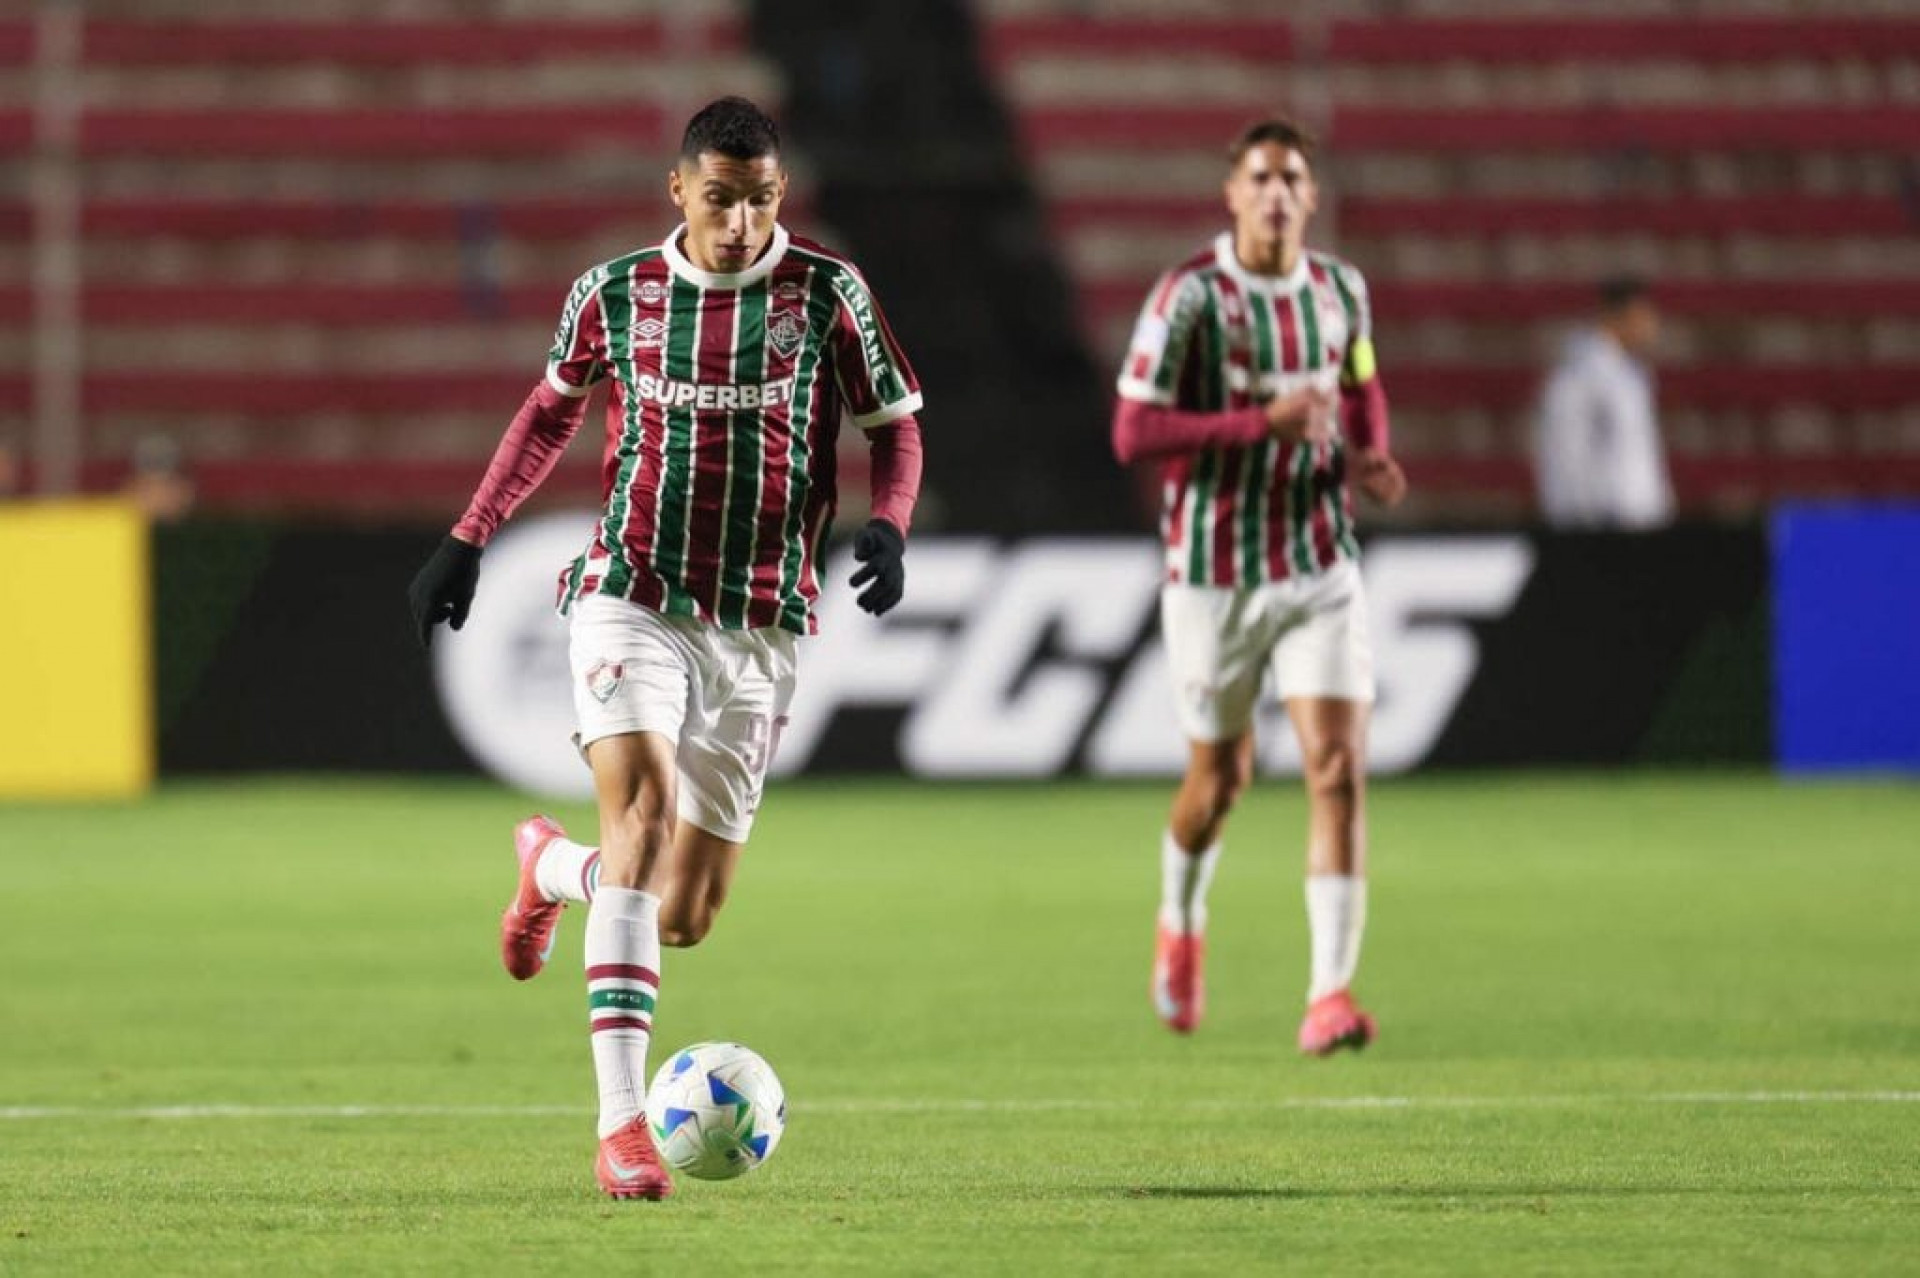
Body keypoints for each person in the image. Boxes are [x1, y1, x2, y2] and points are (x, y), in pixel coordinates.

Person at [407, 97, 924, 1200]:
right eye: (723, 197)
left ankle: (549, 868)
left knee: (680, 914)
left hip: (761, 621)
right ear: (680, 190)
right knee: (638, 823)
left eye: (763, 199)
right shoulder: (614, 292)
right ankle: (622, 1129)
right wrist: (469, 536)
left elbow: (896, 423)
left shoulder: (828, 295)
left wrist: (890, 521)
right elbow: (550, 413)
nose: (742, 222)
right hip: (629, 592)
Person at [1110, 117, 1406, 1056]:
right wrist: (1258, 425)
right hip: (1212, 571)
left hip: (1319, 560)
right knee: (1221, 778)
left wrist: (1371, 453)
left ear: (1310, 197)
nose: (1277, 193)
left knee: (1338, 769)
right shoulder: (1190, 297)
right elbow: (1133, 434)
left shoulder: (1341, 291)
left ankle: (1329, 994)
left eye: (1292, 179)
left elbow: (1360, 383)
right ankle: (1181, 920)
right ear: (1232, 194)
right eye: (1261, 179)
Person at [1533, 275, 1672, 529]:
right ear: (1623, 315)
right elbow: (1567, 456)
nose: (1652, 325)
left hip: (1639, 522)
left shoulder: (1628, 375)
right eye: (1645, 315)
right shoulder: (1579, 376)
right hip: (1602, 525)